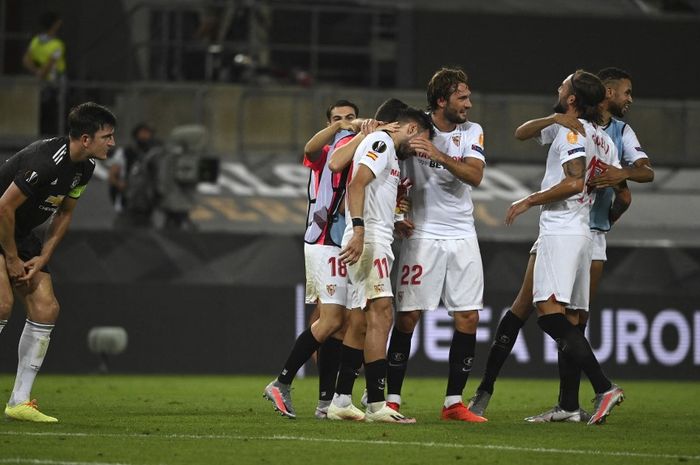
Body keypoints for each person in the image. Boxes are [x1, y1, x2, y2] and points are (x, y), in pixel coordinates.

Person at [468, 68, 653, 423]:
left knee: (548, 314)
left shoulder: (573, 134)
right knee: (565, 318)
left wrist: (528, 200)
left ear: (571, 98)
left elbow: (572, 182)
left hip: (562, 228)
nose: (558, 86)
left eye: (563, 85)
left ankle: (603, 386)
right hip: (585, 233)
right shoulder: (603, 138)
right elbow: (621, 192)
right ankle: (572, 403)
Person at [0, 102, 116, 422]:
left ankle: (19, 402)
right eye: (107, 136)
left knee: (46, 308)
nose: (113, 143)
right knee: (1, 305)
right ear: (85, 138)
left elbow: (65, 212)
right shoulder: (46, 162)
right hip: (1, 223)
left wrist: (43, 256)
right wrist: (11, 259)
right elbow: (4, 208)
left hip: (19, 233)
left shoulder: (84, 168)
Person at [383, 67, 488, 423]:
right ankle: (392, 400)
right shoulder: (413, 127)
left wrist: (438, 155)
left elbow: (475, 175)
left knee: (468, 316)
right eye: (462, 97)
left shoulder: (471, 132)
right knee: (409, 315)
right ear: (441, 100)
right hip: (422, 233)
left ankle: (454, 403)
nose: (468, 105)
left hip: (462, 233)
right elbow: (390, 173)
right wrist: (397, 214)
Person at [329, 106, 434, 424]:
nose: (417, 149)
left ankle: (341, 400)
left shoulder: (379, 143)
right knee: (382, 313)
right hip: (369, 239)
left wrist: (394, 221)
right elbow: (356, 184)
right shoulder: (383, 143)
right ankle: (376, 404)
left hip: (376, 236)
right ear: (412, 130)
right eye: (421, 141)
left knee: (360, 320)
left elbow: (364, 185)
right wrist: (359, 229)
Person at [263, 100, 360, 419]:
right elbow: (309, 146)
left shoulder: (356, 150)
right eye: (336, 118)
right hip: (323, 240)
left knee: (338, 325)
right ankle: (282, 382)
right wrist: (338, 129)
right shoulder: (327, 152)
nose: (344, 122)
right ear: (328, 122)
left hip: (341, 242)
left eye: (349, 117)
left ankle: (324, 403)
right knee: (330, 320)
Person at [22, 11, 66, 136]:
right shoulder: (57, 44)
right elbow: (50, 64)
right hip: (54, 83)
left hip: (41, 83)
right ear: (55, 25)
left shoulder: (36, 41)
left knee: (43, 114)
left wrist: (36, 71)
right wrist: (42, 73)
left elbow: (26, 59)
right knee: (56, 114)